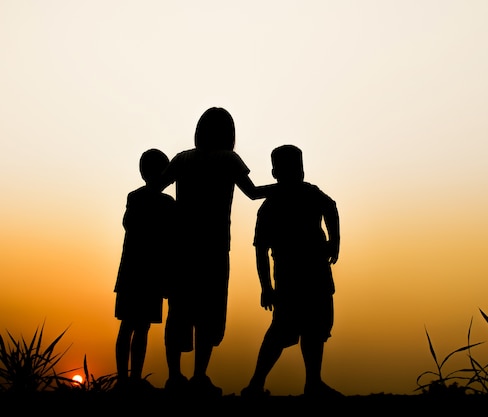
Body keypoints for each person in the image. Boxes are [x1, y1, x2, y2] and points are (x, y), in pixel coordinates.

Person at [158, 107, 271, 396]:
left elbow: (157, 186)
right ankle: (199, 376)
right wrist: (285, 187)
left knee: (179, 310)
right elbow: (254, 192)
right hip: (214, 246)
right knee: (208, 311)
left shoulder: (182, 159)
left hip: (181, 246)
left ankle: (174, 376)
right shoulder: (229, 159)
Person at [241, 144, 344, 398]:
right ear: (276, 172)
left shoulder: (309, 194)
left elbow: (331, 207)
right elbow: (260, 249)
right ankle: (256, 383)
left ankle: (313, 383)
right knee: (281, 331)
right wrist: (266, 287)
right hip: (290, 277)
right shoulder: (271, 205)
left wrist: (335, 241)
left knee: (314, 329)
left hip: (315, 272)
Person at [114, 148, 176, 392]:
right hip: (149, 273)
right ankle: (132, 378)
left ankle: (125, 379)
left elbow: (129, 225)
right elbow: (171, 239)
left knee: (129, 326)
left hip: (133, 271)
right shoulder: (166, 204)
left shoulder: (135, 198)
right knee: (139, 328)